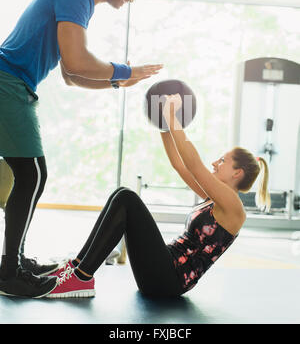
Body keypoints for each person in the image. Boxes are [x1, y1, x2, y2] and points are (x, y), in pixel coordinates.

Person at [0, 0, 163, 298]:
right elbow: (77, 61)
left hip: (15, 84)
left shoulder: (76, 0)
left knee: (31, 174)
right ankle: (9, 272)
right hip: (7, 82)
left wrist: (118, 82)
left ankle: (14, 263)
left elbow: (72, 75)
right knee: (31, 174)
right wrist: (125, 70)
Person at [46, 94, 270, 299]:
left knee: (127, 198)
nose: (215, 162)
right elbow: (179, 165)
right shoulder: (213, 198)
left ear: (237, 173)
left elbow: (194, 165)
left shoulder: (233, 207)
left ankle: (81, 278)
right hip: (162, 269)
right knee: (120, 194)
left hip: (169, 280)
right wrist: (163, 125)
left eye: (222, 160)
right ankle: (77, 268)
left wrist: (172, 116)